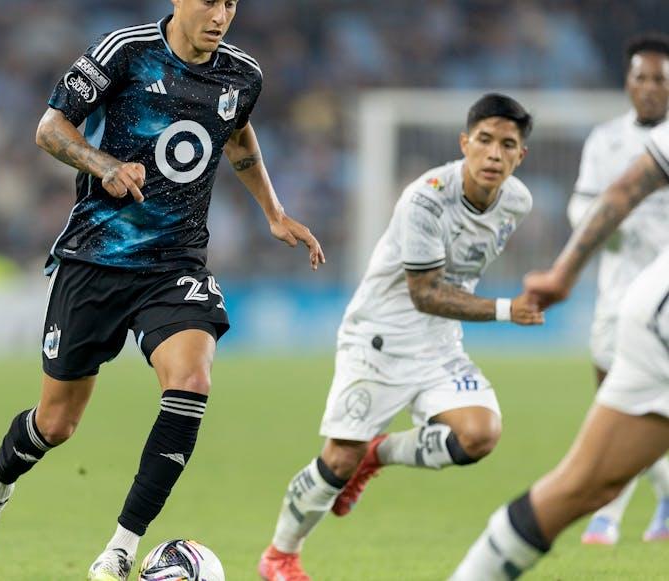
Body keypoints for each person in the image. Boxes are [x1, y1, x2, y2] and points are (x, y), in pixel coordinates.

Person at [0, 1, 325, 580]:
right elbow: (50, 128)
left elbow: (237, 134)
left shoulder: (242, 75)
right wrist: (103, 165)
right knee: (57, 424)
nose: (221, 14)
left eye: (231, 2)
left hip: (175, 263)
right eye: (209, 1)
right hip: (96, 260)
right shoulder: (123, 52)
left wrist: (273, 214)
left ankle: (121, 548)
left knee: (192, 382)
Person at [259, 94, 543, 581]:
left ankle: (380, 453)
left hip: (439, 343)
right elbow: (425, 292)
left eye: (508, 145)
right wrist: (504, 310)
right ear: (464, 143)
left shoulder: (517, 202)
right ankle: (280, 555)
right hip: (380, 339)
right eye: (485, 140)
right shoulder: (427, 196)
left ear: (522, 155)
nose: (494, 154)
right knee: (339, 458)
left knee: (479, 435)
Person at [450, 122, 669, 581]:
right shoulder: (611, 139)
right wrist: (563, 274)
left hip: (650, 308)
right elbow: (627, 186)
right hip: (662, 327)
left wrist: (564, 273)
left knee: (584, 485)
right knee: (583, 486)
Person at [566, 34, 669, 545]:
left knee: (654, 405)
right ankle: (651, 500)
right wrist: (603, 222)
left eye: (659, 79)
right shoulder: (605, 139)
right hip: (616, 291)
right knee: (613, 399)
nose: (649, 88)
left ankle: (609, 512)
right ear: (628, 83)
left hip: (665, 294)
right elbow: (579, 205)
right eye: (641, 77)